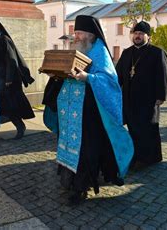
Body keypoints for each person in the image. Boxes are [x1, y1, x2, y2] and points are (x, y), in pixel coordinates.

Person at [44, 15, 134, 205]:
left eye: (79, 33)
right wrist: (56, 75)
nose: (75, 36)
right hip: (69, 109)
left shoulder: (100, 52)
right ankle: (70, 179)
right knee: (68, 144)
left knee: (86, 150)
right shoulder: (77, 49)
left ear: (91, 35)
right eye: (75, 32)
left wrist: (88, 77)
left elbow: (110, 81)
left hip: (89, 112)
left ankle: (80, 189)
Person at [115, 21, 167, 167]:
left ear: (148, 36)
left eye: (141, 34)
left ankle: (151, 157)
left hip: (148, 98)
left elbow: (162, 75)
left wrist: (161, 95)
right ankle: (136, 156)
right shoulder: (127, 53)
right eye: (135, 33)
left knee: (148, 128)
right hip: (130, 98)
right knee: (133, 127)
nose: (137, 36)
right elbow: (118, 75)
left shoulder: (157, 53)